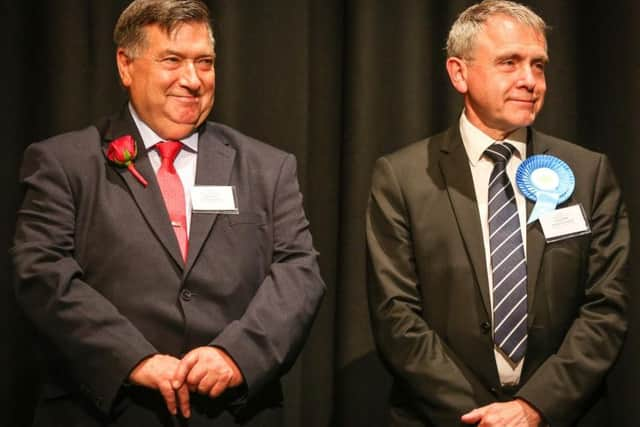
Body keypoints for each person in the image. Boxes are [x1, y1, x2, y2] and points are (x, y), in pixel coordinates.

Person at [11, 0, 325, 425]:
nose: (192, 79)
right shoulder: (64, 162)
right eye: (172, 60)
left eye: (205, 62)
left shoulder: (268, 168)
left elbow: (299, 272)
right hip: (106, 411)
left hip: (231, 413)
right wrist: (132, 358)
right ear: (126, 65)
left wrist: (236, 354)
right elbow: (42, 272)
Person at [366, 1, 629, 426]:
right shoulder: (401, 177)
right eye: (510, 62)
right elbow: (396, 316)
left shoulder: (588, 173)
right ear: (459, 73)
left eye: (538, 65)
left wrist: (533, 407)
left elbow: (605, 309)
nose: (530, 80)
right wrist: (484, 418)